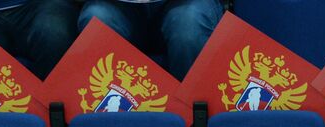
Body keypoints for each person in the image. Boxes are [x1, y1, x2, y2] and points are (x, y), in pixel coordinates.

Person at [77, 0, 224, 79]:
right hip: (115, 5)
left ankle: (195, 125)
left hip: (185, 4)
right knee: (97, 19)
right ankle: (110, 126)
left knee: (188, 27)